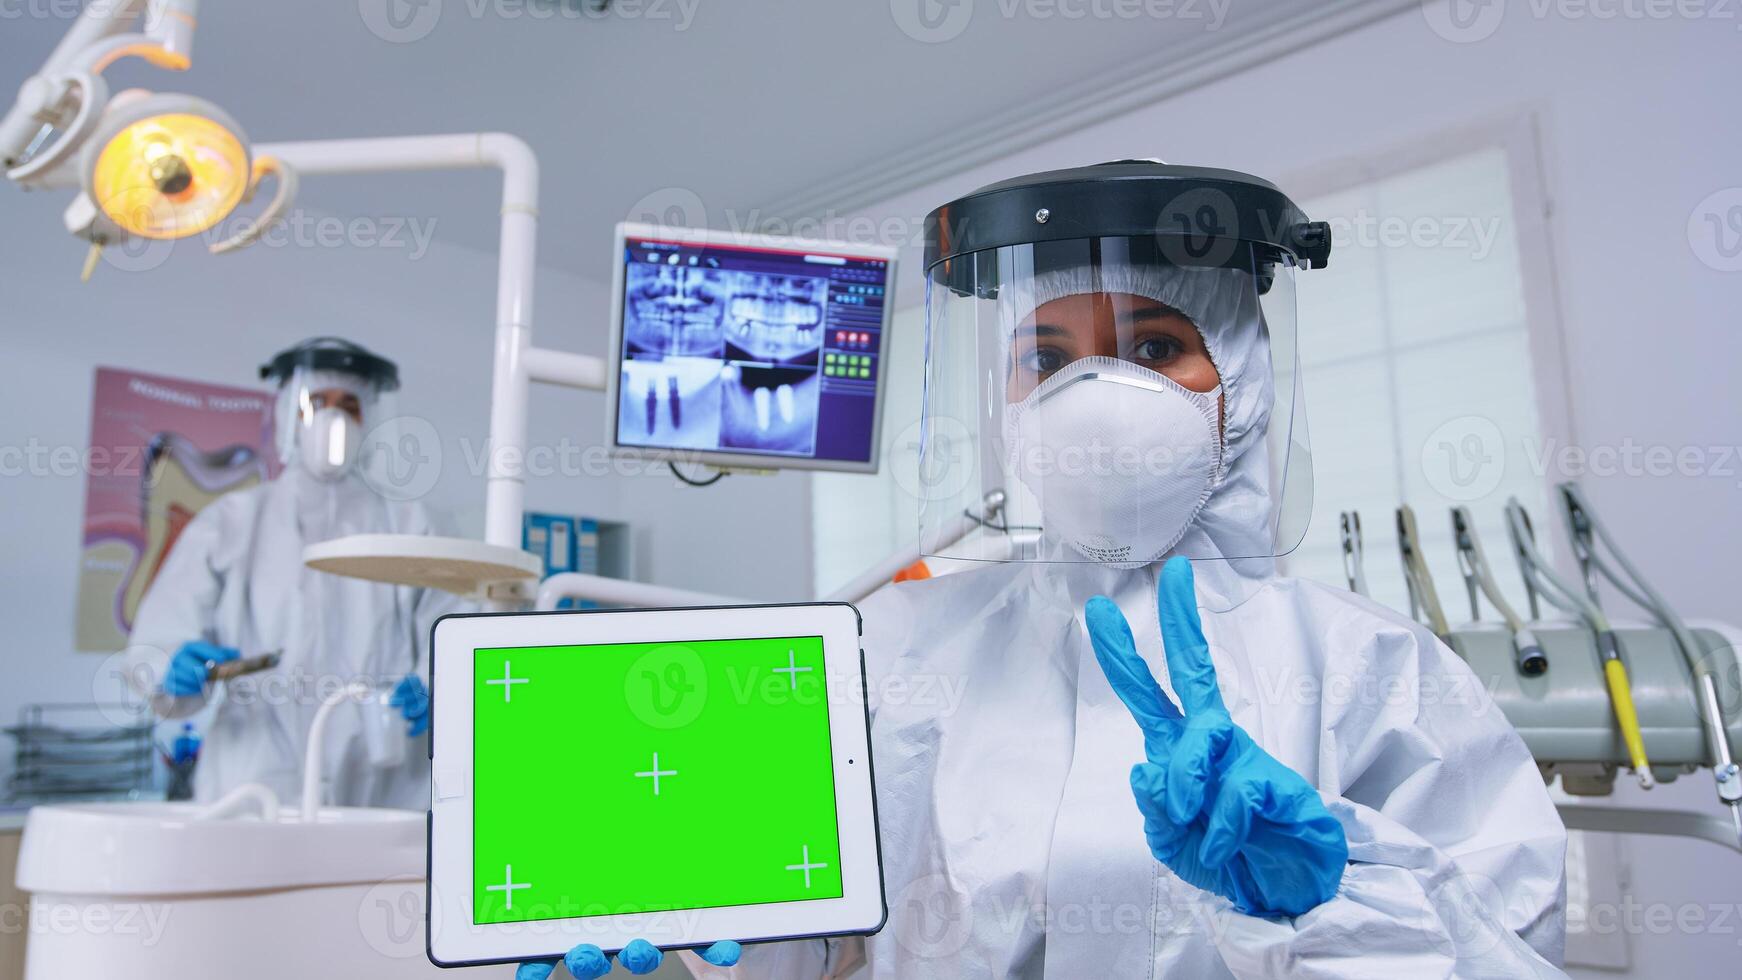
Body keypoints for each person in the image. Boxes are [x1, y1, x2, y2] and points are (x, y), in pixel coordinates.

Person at [528, 162, 1568, 978]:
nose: (1097, 394)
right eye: (1048, 357)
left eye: (1154, 348)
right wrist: (678, 918)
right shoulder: (898, 643)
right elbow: (823, 942)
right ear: (1006, 393)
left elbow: (1506, 949)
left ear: (1240, 380)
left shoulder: (1365, 666)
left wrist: (1320, 900)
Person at [127, 337, 458, 809]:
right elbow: (158, 636)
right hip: (254, 777)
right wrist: (171, 665)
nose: (332, 420)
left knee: (375, 881)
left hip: (380, 776)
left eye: (350, 407)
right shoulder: (232, 522)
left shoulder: (411, 526)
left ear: (369, 419)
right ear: (287, 414)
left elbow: (454, 625)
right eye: (316, 403)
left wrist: (436, 685)